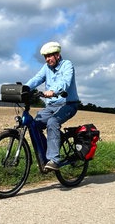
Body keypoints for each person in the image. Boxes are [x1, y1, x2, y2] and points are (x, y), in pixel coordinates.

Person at [25, 41, 80, 171]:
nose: (47, 59)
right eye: (45, 56)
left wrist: (53, 91)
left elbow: (65, 82)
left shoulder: (67, 65)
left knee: (52, 121)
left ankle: (54, 159)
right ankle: (46, 153)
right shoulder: (46, 68)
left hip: (68, 104)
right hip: (51, 106)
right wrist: (24, 88)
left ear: (57, 55)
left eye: (50, 56)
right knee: (34, 124)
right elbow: (37, 78)